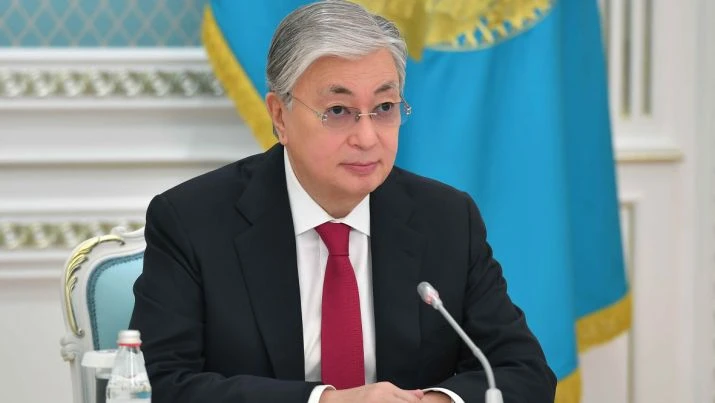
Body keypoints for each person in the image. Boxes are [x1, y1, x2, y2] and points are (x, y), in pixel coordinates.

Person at [129, 1, 556, 402]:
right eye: (338, 111)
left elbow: (523, 372)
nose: (367, 138)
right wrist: (327, 401)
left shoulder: (446, 219)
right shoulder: (192, 221)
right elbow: (160, 383)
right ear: (280, 116)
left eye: (384, 107)